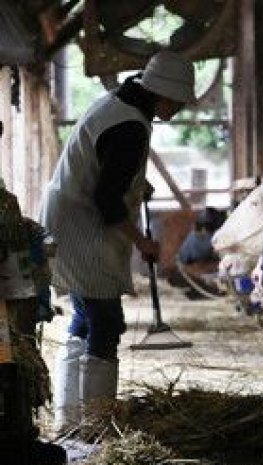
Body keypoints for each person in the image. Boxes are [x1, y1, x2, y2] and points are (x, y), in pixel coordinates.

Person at [41, 51, 195, 432]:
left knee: (86, 316)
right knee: (106, 320)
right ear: (163, 94)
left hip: (65, 214)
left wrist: (137, 184)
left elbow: (106, 166)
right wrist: (143, 241)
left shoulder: (118, 102)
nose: (178, 109)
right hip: (82, 225)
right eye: (178, 102)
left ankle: (69, 418)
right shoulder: (130, 127)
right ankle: (96, 426)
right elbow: (107, 201)